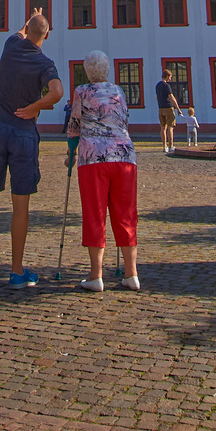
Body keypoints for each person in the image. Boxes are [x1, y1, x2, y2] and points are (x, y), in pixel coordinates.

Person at [0, 9, 64, 290]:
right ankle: (17, 271)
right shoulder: (44, 63)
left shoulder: (10, 46)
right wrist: (35, 107)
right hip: (23, 135)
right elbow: (57, 92)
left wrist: (31, 18)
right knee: (21, 204)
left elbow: (22, 32)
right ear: (46, 35)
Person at [65, 50, 140, 292]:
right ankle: (131, 274)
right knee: (126, 214)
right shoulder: (119, 91)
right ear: (107, 71)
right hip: (124, 157)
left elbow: (75, 125)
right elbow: (124, 121)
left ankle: (96, 275)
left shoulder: (82, 92)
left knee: (95, 213)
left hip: (93, 158)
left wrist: (71, 153)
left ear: (87, 71)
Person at [155, 68, 180, 152]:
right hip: (168, 108)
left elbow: (157, 97)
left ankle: (164, 146)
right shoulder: (166, 86)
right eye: (170, 77)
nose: (170, 79)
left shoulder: (158, 85)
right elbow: (171, 97)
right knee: (170, 127)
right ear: (167, 76)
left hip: (161, 108)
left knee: (163, 127)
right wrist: (178, 108)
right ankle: (171, 146)